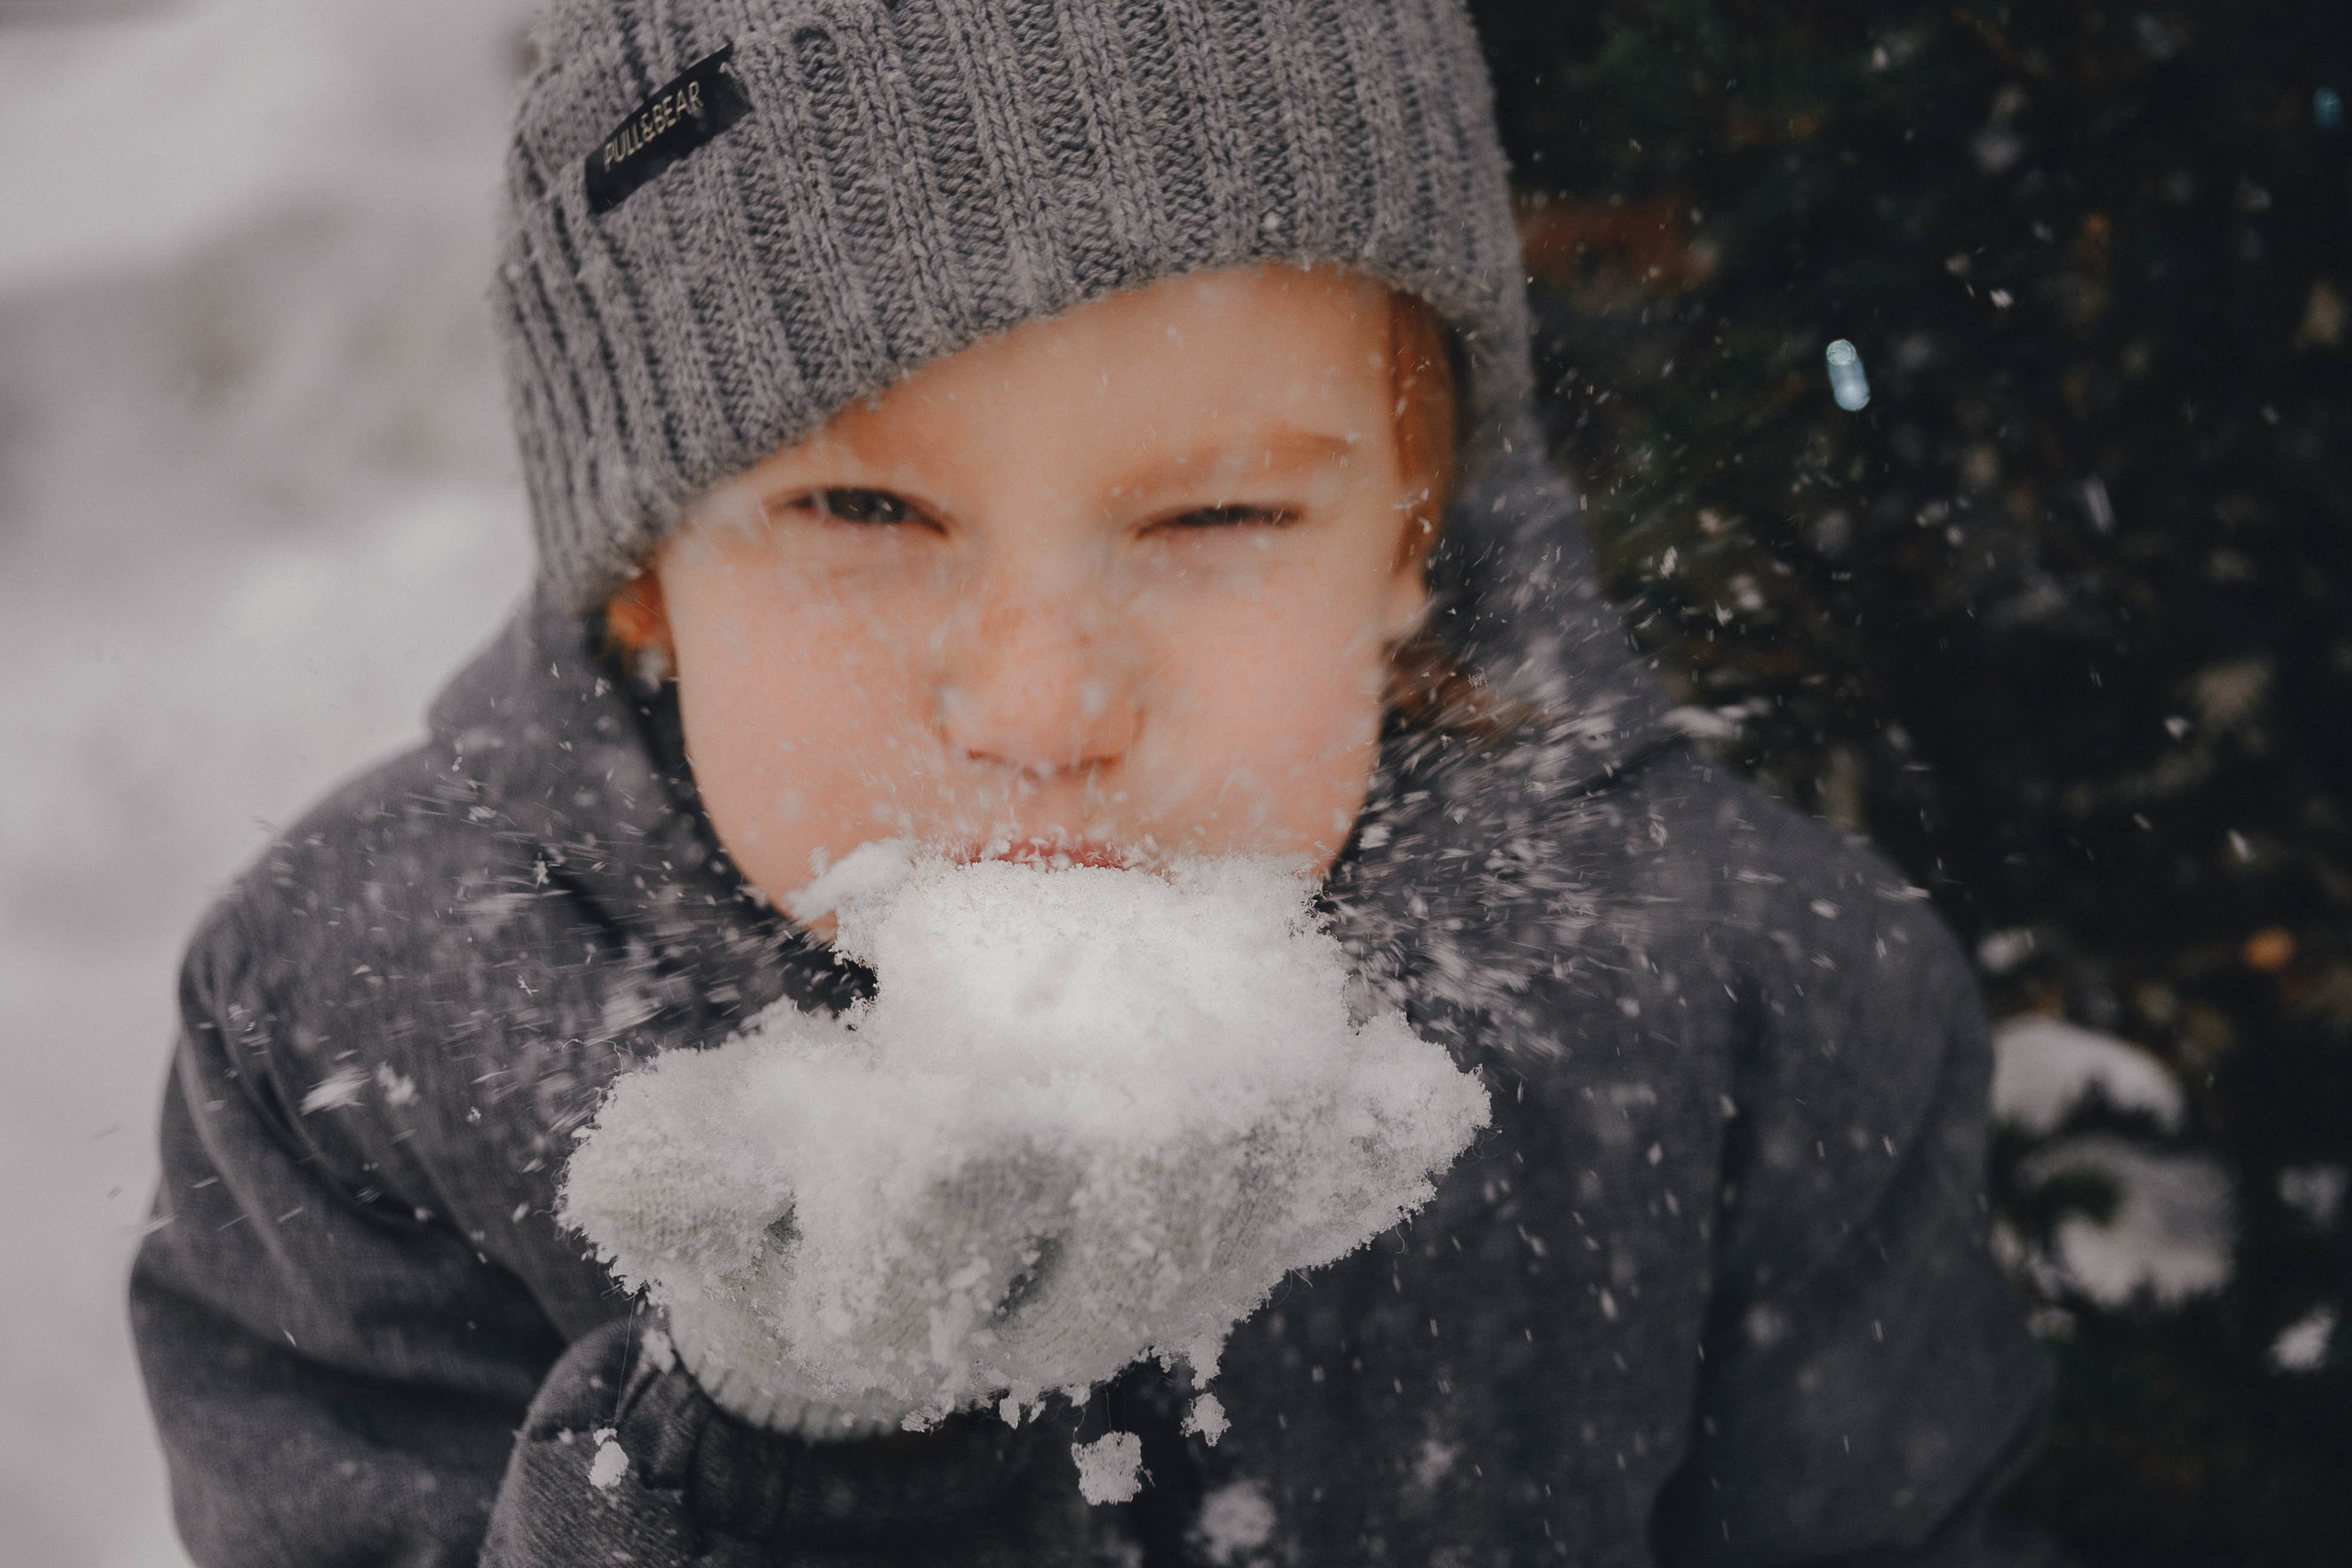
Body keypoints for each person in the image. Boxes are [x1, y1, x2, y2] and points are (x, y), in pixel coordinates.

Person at [129, 2, 2063, 1563]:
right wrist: (767, 1461)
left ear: (1407, 537)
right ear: (646, 568)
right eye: (865, 507)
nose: (1042, 702)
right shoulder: (363, 1033)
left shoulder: (1745, 1003)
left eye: (1215, 510)